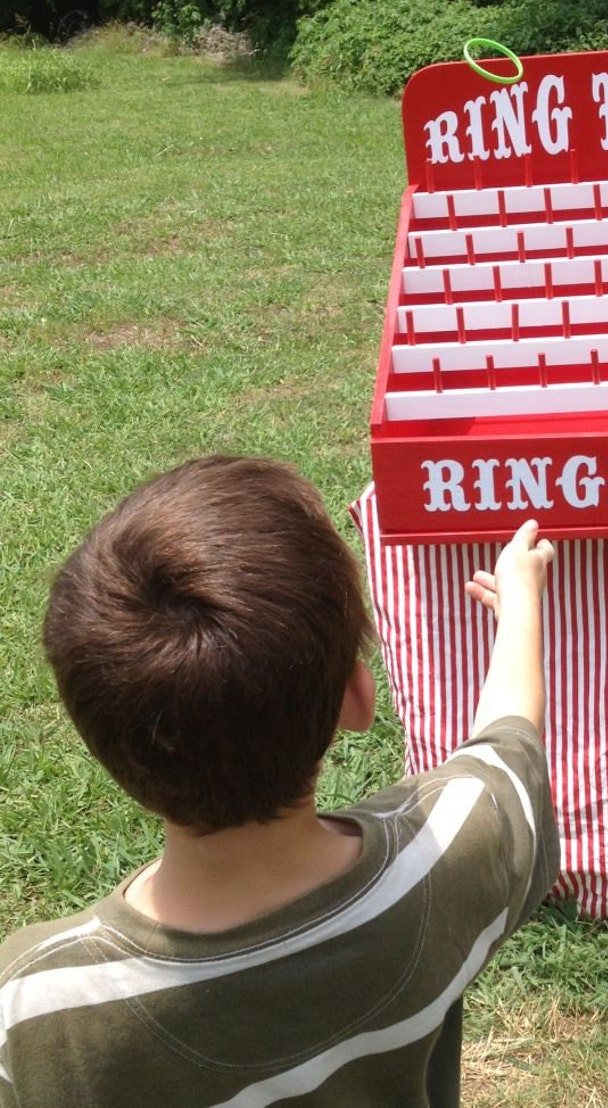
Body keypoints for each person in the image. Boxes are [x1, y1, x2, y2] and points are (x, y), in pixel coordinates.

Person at [0, 455, 558, 1108]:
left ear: (103, 746)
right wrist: (520, 606)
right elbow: (508, 738)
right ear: (357, 698)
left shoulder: (36, 1008)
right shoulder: (449, 855)